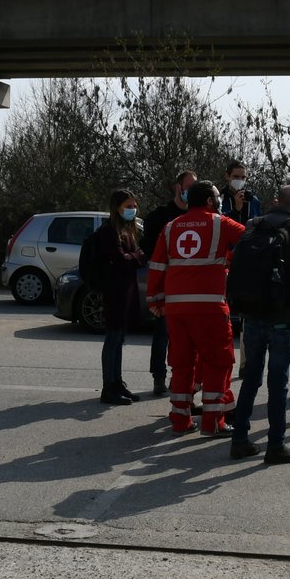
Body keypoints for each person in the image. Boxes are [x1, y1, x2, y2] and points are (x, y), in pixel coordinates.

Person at [229, 185, 290, 464]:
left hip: (251, 313)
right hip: (282, 315)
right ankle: (276, 445)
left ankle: (239, 440)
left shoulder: (253, 223)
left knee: (250, 377)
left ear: (276, 202)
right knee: (278, 382)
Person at [147, 180, 246, 435]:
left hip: (176, 309)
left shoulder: (171, 227)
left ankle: (180, 421)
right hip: (209, 307)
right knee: (218, 362)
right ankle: (213, 422)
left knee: (182, 364)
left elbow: (157, 265)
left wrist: (156, 300)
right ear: (212, 201)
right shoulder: (220, 223)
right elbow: (250, 238)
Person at [140, 169, 196, 399]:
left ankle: (180, 377)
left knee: (186, 336)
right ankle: (159, 377)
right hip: (166, 284)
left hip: (190, 286)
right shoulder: (161, 215)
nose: (191, 192)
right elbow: (146, 248)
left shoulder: (198, 215)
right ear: (178, 188)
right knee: (163, 333)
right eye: (189, 187)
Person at [93, 189, 145, 406]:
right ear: (117, 208)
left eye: (134, 206)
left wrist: (132, 257)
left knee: (119, 340)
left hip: (126, 292)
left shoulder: (127, 230)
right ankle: (108, 387)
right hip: (114, 292)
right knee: (112, 340)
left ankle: (117, 383)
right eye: (128, 206)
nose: (132, 210)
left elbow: (130, 258)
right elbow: (122, 260)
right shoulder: (109, 231)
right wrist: (136, 256)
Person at [222, 159, 261, 227]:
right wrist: (236, 209)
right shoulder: (220, 198)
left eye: (243, 177)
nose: (240, 180)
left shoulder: (253, 200)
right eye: (236, 176)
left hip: (248, 236)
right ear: (227, 176)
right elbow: (219, 223)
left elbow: (259, 224)